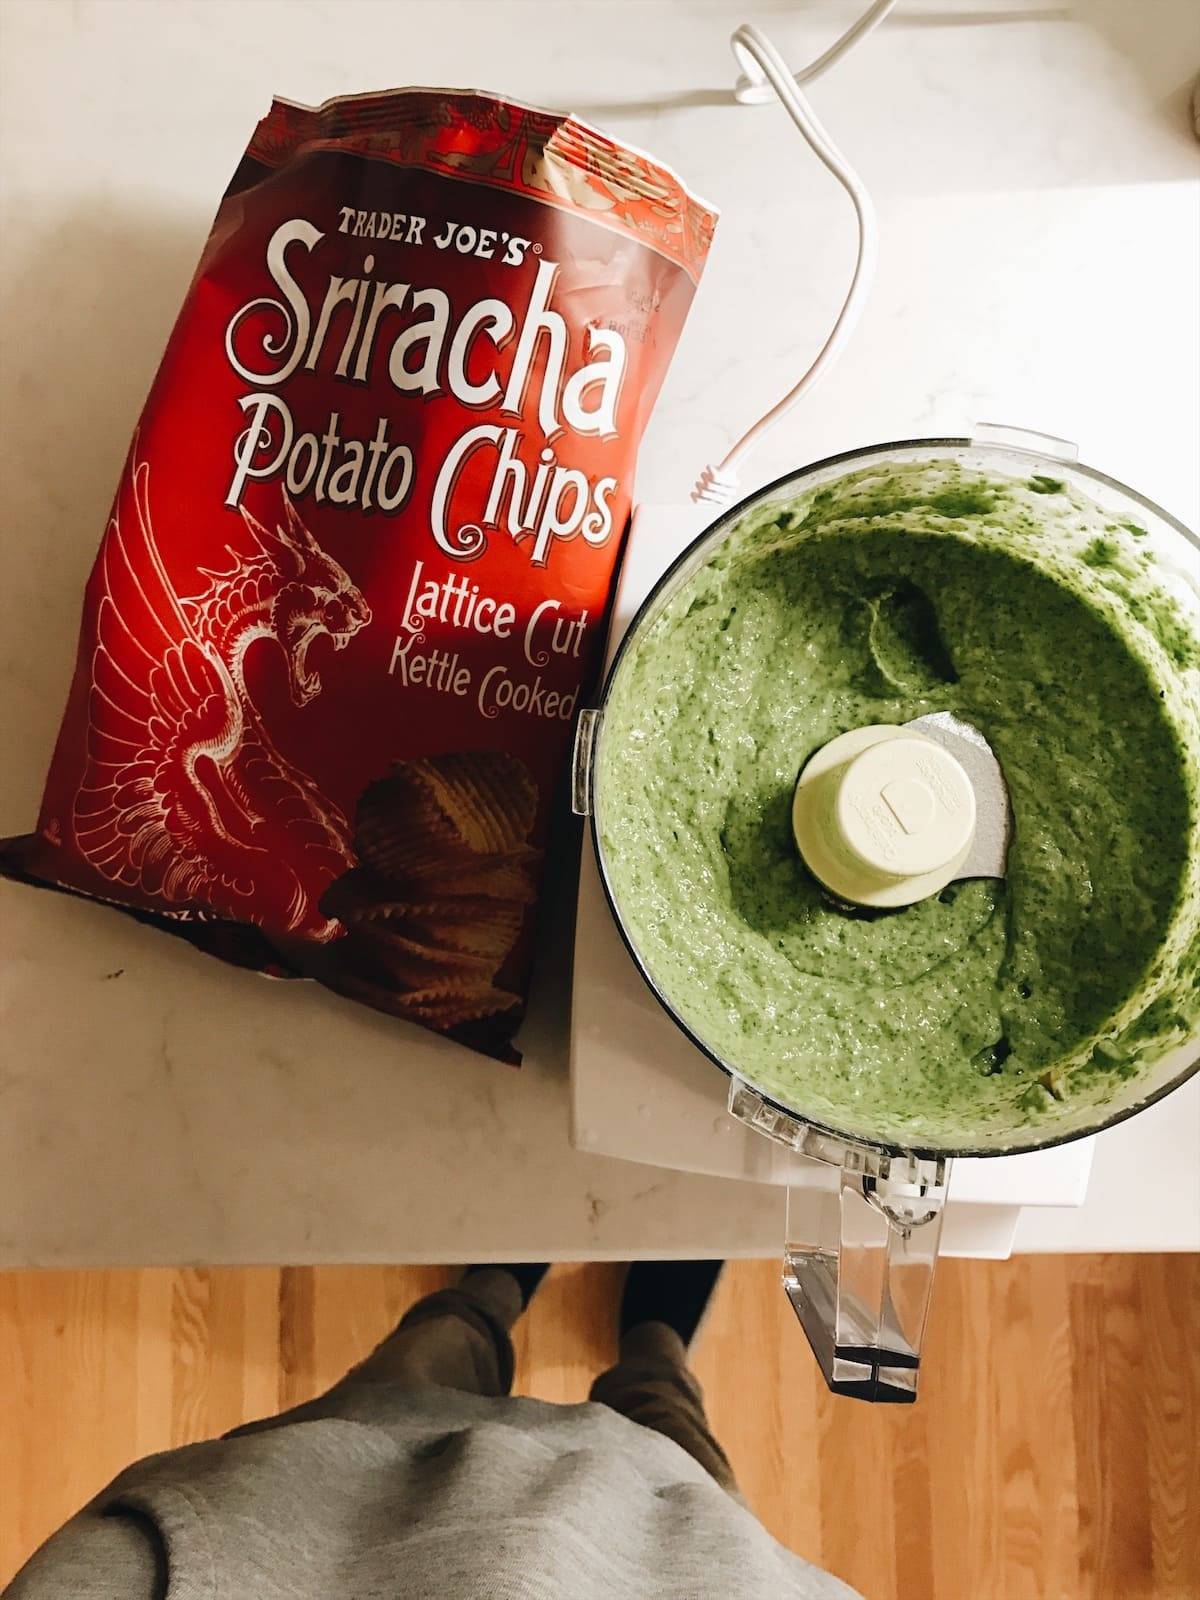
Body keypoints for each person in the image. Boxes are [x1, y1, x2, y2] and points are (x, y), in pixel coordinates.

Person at [9, 1262, 859, 1599]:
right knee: (674, 1431)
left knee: (425, 1360)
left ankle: (489, 1293)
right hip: (695, 1550)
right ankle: (652, 1345)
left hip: (336, 1512)